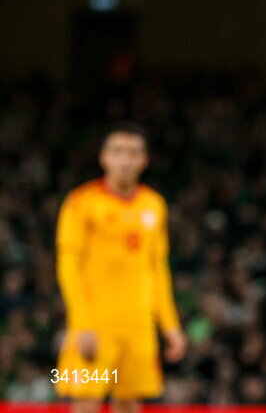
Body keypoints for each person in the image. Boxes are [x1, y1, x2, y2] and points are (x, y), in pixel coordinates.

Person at [54, 123, 186, 413]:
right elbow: (68, 266)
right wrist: (81, 324)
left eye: (133, 153)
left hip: (139, 327)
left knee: (130, 403)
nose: (125, 159)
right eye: (117, 152)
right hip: (95, 324)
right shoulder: (81, 203)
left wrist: (170, 324)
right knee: (86, 400)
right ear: (104, 158)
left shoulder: (154, 205)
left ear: (144, 160)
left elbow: (157, 269)